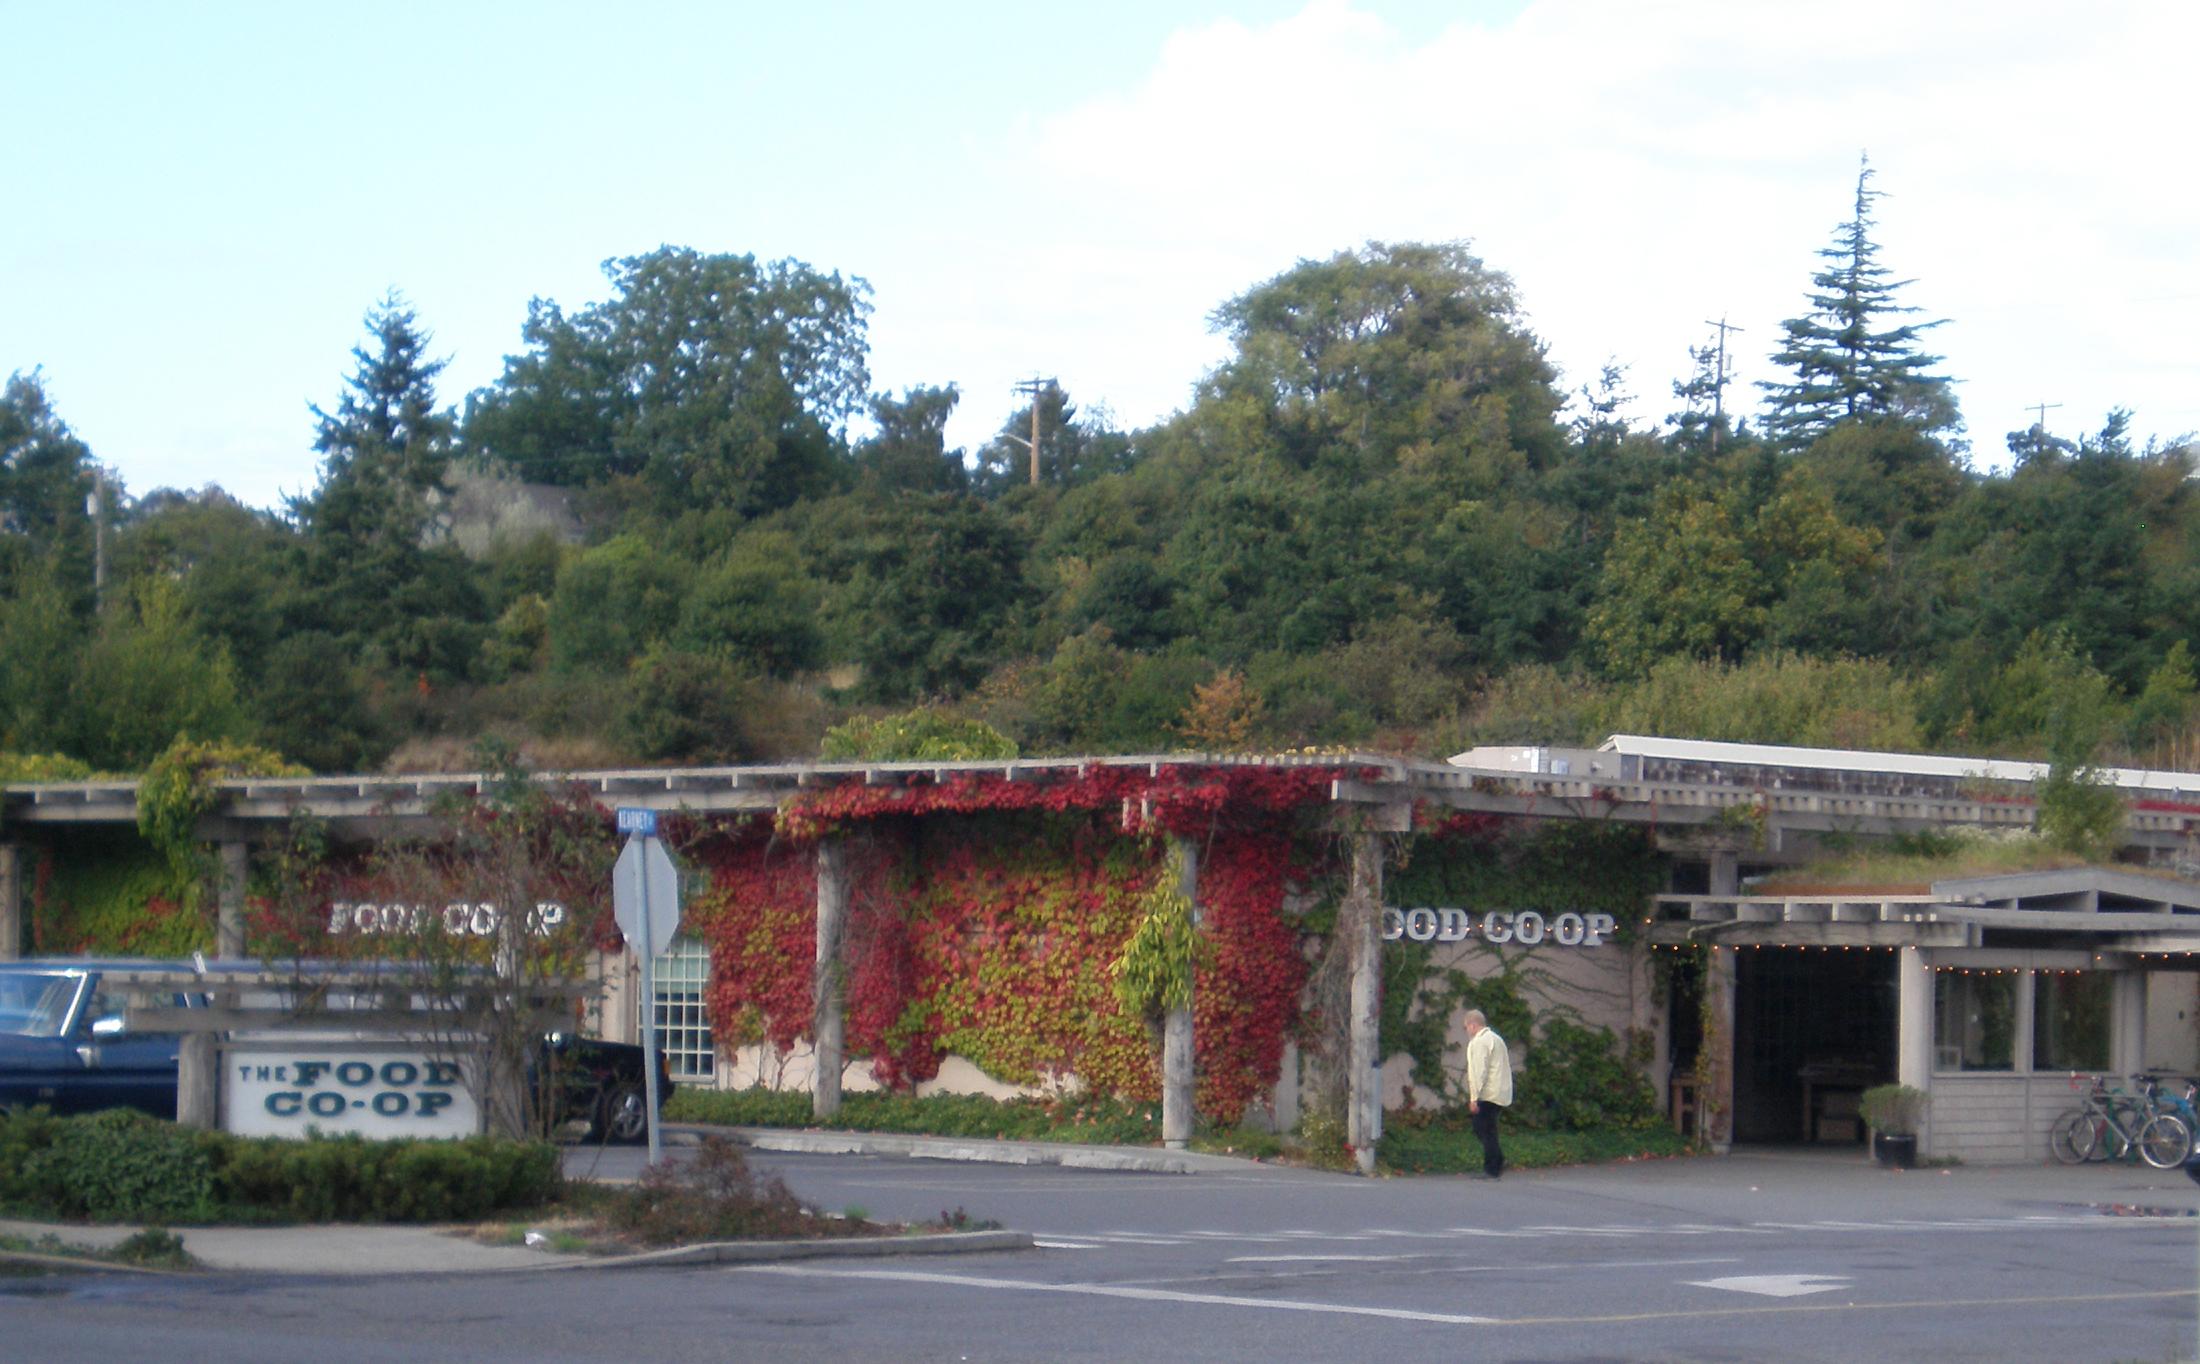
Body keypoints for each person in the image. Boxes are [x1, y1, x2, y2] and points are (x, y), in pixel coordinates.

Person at [1462, 1008, 1513, 1179]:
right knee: (1489, 1129)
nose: (1467, 1031)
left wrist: (1474, 1098)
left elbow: (1478, 1071)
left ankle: (1493, 1167)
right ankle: (1496, 1162)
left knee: (1481, 1128)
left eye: (1466, 1027)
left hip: (1487, 1093)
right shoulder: (1497, 1039)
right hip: (1500, 1092)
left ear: (1473, 1025)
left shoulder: (1478, 1042)